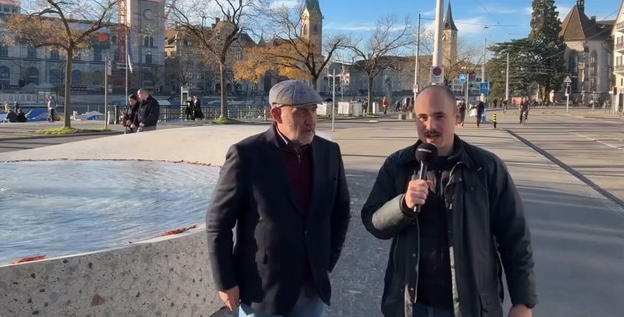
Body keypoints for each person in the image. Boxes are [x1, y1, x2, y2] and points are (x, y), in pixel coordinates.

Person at [361, 85, 536, 317]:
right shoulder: (398, 165)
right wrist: (402, 205)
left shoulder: (485, 167)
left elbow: (514, 237)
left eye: (439, 117)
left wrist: (523, 301)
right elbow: (374, 222)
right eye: (422, 117)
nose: (430, 126)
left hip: (471, 305)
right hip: (410, 306)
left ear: (457, 117)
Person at [206, 80, 351, 317]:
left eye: (313, 110)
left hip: (312, 287)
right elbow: (218, 223)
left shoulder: (329, 152)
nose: (311, 120)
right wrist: (226, 281)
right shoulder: (246, 155)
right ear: (276, 114)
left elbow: (341, 211)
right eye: (301, 112)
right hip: (263, 291)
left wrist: (326, 260)